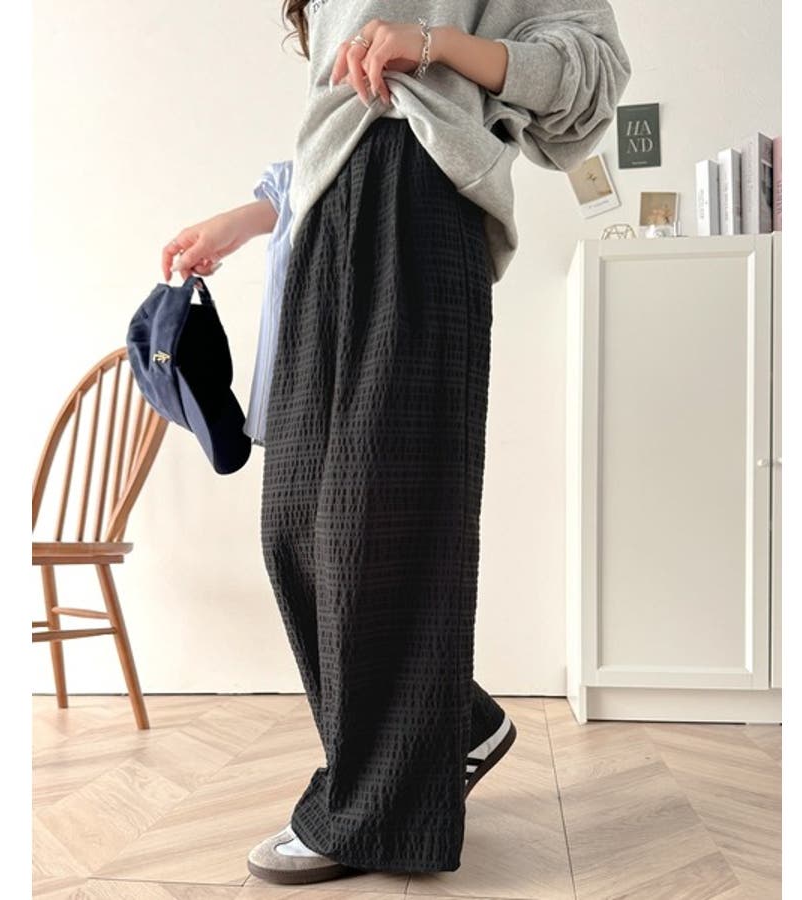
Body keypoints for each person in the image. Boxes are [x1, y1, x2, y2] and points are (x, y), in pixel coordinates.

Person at [161, 0, 632, 885]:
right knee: (295, 528)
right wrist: (248, 218)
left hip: (422, 200)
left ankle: (373, 813)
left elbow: (590, 70)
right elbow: (336, 130)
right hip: (319, 227)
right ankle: (454, 724)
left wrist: (435, 45)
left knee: (379, 527)